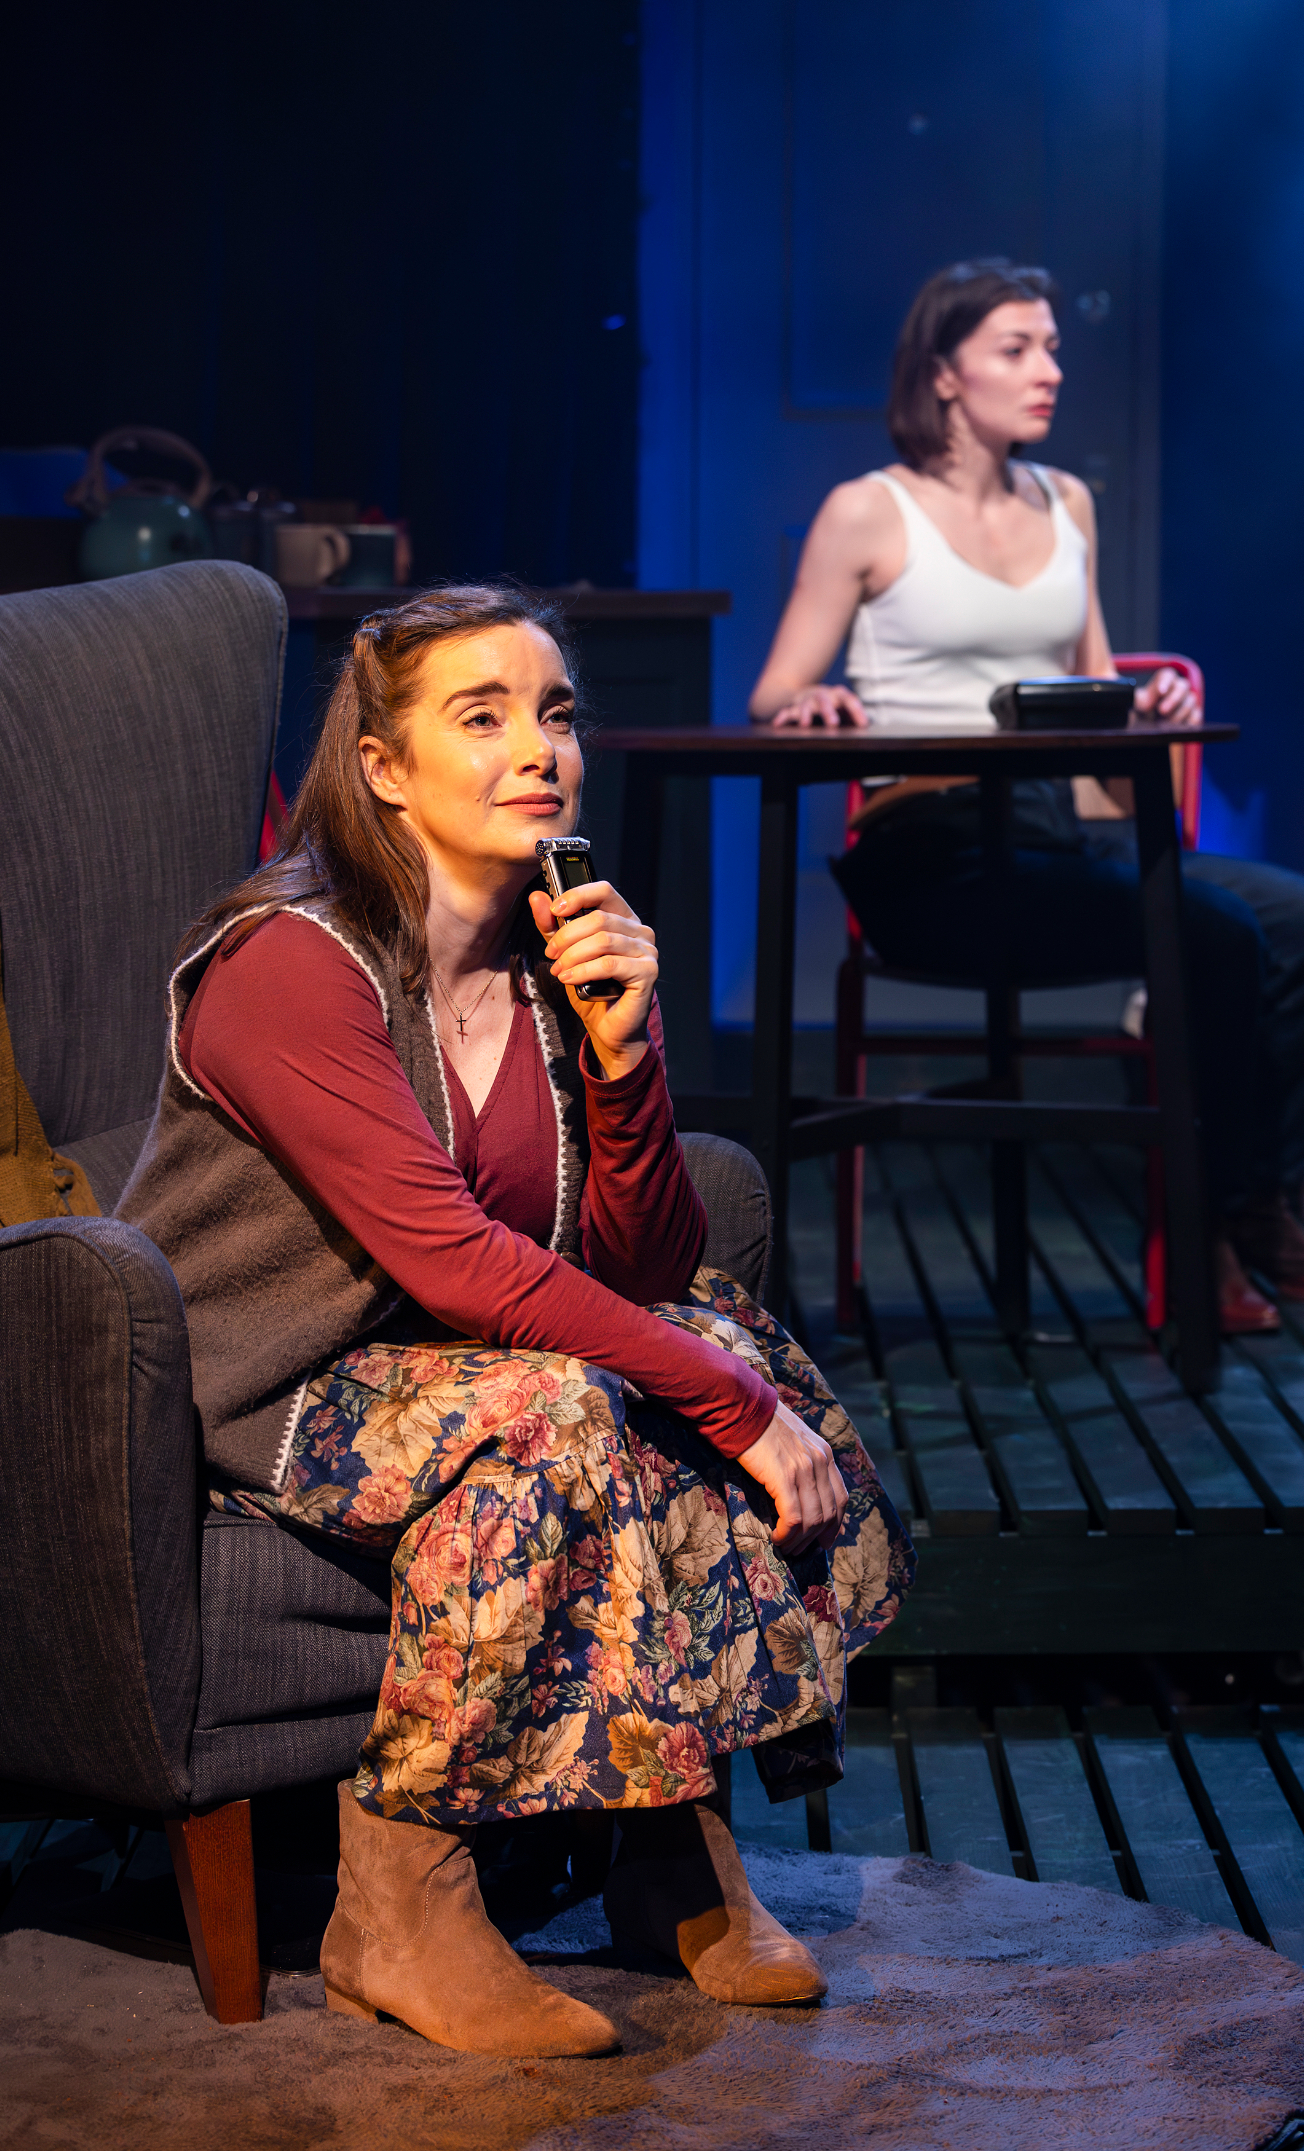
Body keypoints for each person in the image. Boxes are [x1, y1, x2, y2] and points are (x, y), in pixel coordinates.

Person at [117, 584, 912, 2058]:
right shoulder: (287, 963)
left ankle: (666, 1840)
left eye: (554, 714)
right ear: (383, 765)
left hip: (440, 1362)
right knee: (568, 1407)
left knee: (712, 1340)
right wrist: (728, 1406)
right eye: (479, 717)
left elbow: (645, 1261)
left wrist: (622, 1055)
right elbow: (454, 1260)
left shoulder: (553, 957)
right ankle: (399, 1901)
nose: (538, 748)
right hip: (266, 1387)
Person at [748, 258, 1304, 1332]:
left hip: (1058, 837)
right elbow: (773, 692)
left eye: (1051, 347)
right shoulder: (869, 510)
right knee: (1216, 932)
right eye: (1017, 349)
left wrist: (1147, 705)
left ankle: (1253, 1208)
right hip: (934, 853)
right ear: (944, 373)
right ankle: (1209, 1240)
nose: (1048, 370)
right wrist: (809, 702)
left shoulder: (1067, 503)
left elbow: (1094, 692)